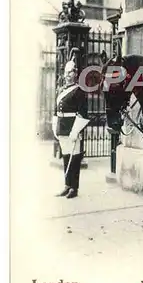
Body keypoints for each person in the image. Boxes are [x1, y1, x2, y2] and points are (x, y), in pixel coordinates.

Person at [52, 49, 89, 198]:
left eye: (71, 72)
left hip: (73, 128)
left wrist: (75, 131)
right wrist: (55, 125)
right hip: (62, 127)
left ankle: (74, 187)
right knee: (66, 157)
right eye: (66, 72)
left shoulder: (79, 91)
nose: (68, 75)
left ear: (76, 74)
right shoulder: (61, 90)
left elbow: (83, 114)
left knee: (75, 158)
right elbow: (56, 111)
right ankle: (67, 185)